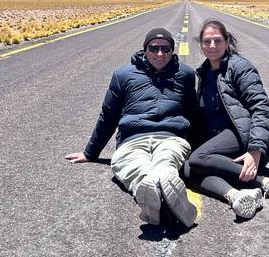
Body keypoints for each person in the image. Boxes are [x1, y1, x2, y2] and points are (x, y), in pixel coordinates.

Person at [65, 28, 197, 227]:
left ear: (172, 51)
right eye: (154, 48)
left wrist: (202, 149)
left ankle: (156, 189)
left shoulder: (185, 74)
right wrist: (90, 152)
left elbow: (193, 112)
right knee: (130, 163)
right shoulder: (123, 75)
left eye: (165, 49)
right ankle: (153, 188)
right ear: (145, 49)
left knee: (167, 158)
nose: (160, 54)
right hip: (132, 139)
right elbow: (108, 115)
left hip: (171, 137)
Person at [184, 19, 269, 220]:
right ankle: (238, 195)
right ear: (200, 44)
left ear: (227, 42)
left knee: (198, 158)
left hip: (246, 134)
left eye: (217, 40)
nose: (212, 46)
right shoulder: (204, 72)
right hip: (223, 138)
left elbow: (262, 108)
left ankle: (267, 183)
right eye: (207, 41)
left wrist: (255, 150)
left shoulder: (239, 67)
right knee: (188, 169)